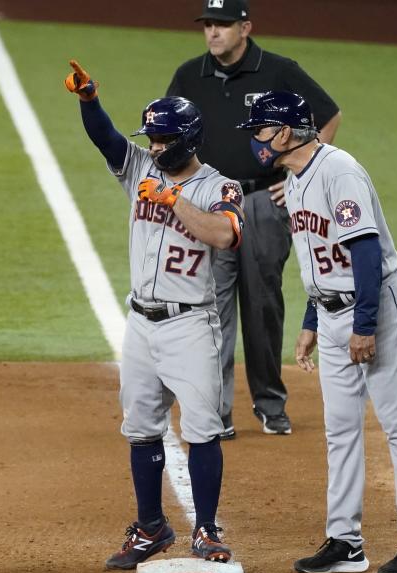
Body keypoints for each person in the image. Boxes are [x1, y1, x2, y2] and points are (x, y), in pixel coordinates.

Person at [237, 91, 397, 573]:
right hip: (330, 315)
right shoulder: (295, 177)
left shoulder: (339, 171)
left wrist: (364, 325)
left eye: (261, 130)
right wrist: (311, 321)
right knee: (342, 429)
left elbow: (365, 252)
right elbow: (319, 258)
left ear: (285, 133)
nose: (255, 140)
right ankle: (346, 542)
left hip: (375, 309)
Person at [64, 60, 245, 569]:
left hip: (191, 325)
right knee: (141, 427)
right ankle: (151, 527)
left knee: (202, 429)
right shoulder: (141, 167)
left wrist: (171, 199)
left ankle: (206, 530)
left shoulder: (218, 188)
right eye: (154, 139)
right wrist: (89, 101)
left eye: (163, 140)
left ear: (187, 140)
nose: (155, 147)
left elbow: (224, 235)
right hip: (141, 323)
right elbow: (106, 140)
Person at [167, 0, 342, 438]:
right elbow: (170, 134)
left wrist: (301, 173)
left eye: (222, 25)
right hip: (213, 205)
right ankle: (217, 410)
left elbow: (328, 114)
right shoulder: (190, 76)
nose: (213, 32)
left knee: (263, 305)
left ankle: (269, 403)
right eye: (208, 24)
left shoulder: (277, 70)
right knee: (214, 309)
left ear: (245, 27)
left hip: (265, 202)